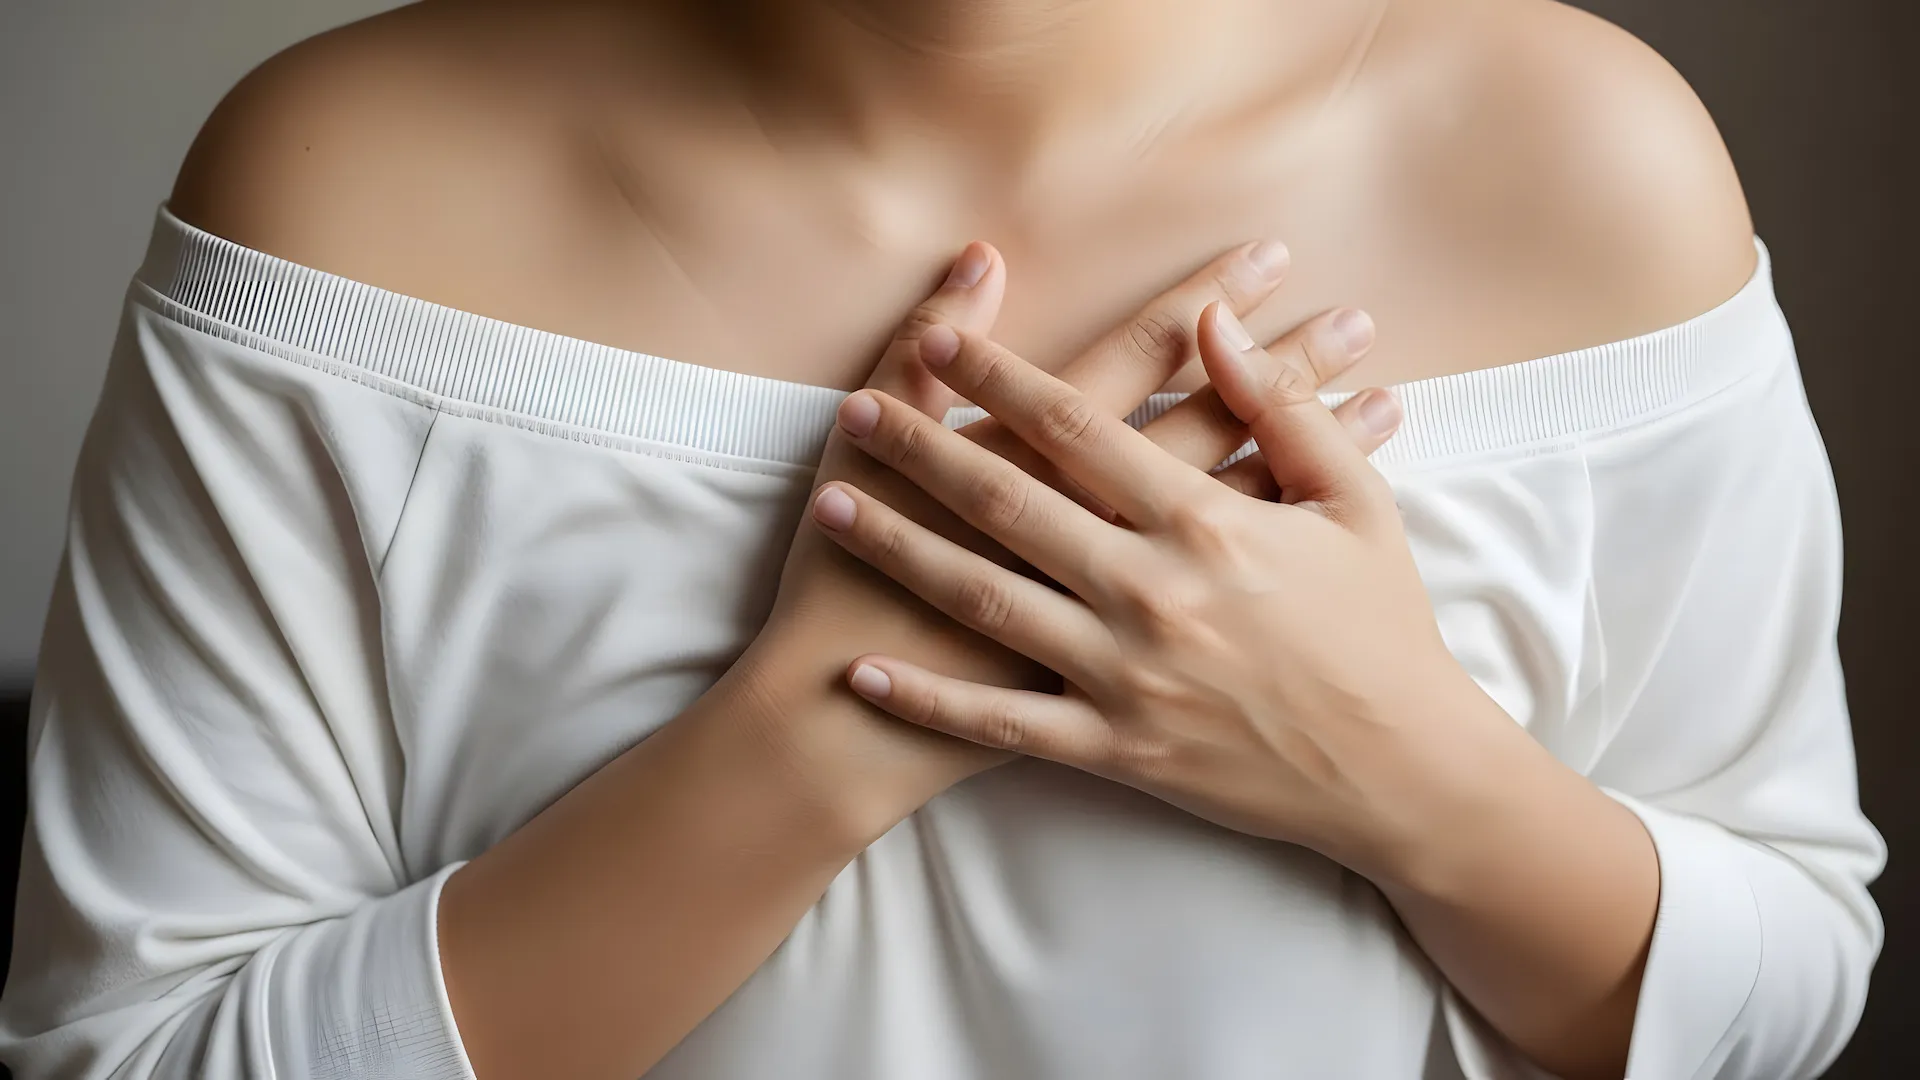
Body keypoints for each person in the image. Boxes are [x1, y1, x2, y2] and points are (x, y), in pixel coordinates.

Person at [0, 0, 1883, 1077]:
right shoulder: (339, 193)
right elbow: (136, 1057)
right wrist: (812, 743)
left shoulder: (1585, 160)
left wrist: (1395, 766)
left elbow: (1791, 979)